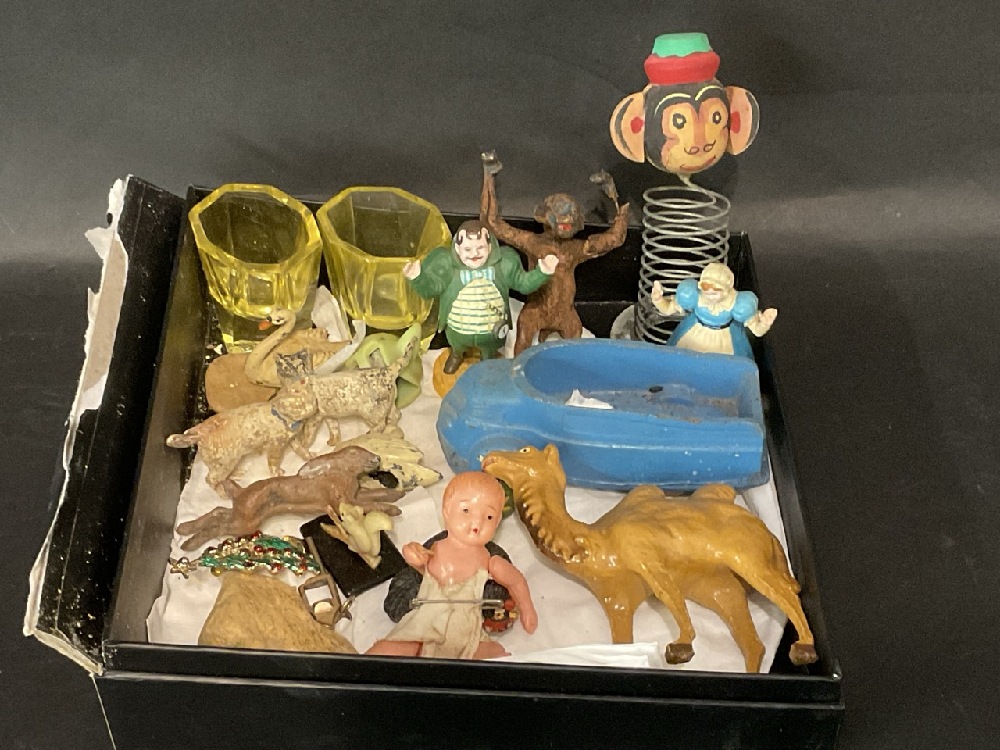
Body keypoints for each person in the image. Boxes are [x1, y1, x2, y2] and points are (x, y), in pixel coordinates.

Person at [366, 471, 538, 659]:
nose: (477, 522)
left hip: (462, 629)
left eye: (489, 517)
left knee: (476, 655)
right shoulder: (436, 548)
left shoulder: (491, 562)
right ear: (447, 511)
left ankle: (486, 654)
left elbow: (516, 582)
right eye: (466, 511)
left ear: (497, 523)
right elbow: (423, 570)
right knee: (391, 648)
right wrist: (413, 555)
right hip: (425, 620)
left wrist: (527, 610)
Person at [403, 220, 557, 373]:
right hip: (457, 329)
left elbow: (523, 284)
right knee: (457, 345)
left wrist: (542, 272)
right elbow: (430, 290)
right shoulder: (447, 267)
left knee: (489, 352)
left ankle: (487, 362)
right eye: (467, 249)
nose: (474, 254)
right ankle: (456, 355)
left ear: (490, 245)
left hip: (492, 331)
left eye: (480, 247)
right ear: (457, 248)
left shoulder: (504, 264)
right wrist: (417, 277)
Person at [651, 262, 777, 357]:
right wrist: (658, 299)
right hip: (692, 335)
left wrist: (764, 323)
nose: (710, 296)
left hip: (726, 342)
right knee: (680, 361)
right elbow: (668, 309)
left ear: (727, 289)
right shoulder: (695, 297)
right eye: (706, 291)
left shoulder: (736, 304)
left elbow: (757, 331)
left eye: (716, 292)